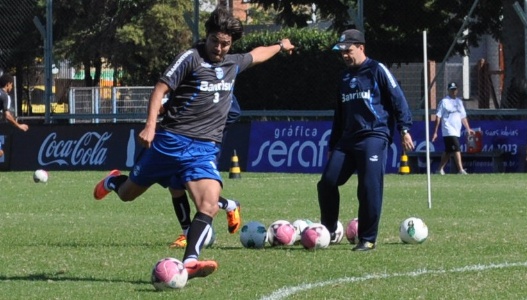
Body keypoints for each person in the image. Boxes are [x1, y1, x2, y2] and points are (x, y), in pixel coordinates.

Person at [92, 6, 295, 279]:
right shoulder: (191, 58)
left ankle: (190, 261)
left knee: (209, 204)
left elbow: (257, 55)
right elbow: (160, 88)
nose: (219, 48)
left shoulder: (232, 63)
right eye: (215, 41)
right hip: (169, 142)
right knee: (128, 194)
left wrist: (280, 46)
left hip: (203, 149)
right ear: (207, 36)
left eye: (225, 44)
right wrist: (150, 126)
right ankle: (113, 181)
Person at [317, 29, 415, 252]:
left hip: (374, 135)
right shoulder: (344, 77)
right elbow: (339, 115)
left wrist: (405, 129)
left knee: (369, 185)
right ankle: (329, 229)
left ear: (361, 48)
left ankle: (367, 238)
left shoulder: (376, 70)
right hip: (347, 139)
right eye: (341, 52)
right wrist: (333, 145)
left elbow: (398, 99)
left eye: (348, 51)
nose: (344, 56)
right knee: (327, 183)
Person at [168, 95, 242, 249]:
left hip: (205, 143)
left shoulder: (216, 80)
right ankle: (188, 232)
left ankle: (229, 206)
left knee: (195, 188)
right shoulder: (182, 80)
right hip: (181, 139)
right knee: (175, 187)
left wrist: (211, 128)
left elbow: (234, 112)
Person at [431, 82, 474, 175]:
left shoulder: (459, 102)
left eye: (455, 89)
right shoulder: (444, 102)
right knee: (456, 148)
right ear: (448, 90)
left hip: (456, 130)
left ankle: (439, 170)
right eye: (451, 90)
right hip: (448, 130)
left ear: (457, 90)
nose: (453, 91)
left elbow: (463, 117)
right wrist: (435, 132)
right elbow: (438, 117)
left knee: (448, 151)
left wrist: (468, 128)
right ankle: (461, 170)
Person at [0, 73, 29, 157]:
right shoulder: (5, 96)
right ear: (8, 84)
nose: (11, 87)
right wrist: (18, 125)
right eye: (11, 85)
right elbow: (7, 115)